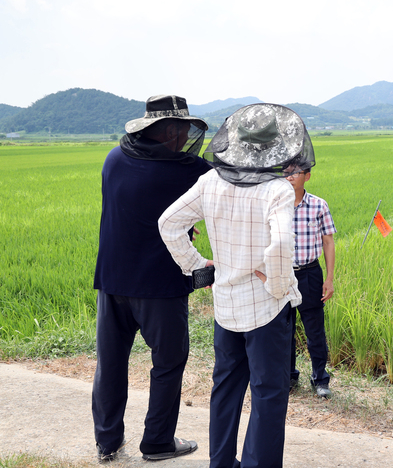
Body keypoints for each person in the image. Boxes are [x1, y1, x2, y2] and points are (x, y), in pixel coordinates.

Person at [158, 103, 315, 468]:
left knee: (225, 390)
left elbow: (169, 224)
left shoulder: (209, 181)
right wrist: (278, 286)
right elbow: (280, 246)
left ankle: (221, 463)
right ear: (275, 147)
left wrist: (199, 268)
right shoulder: (277, 190)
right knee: (268, 394)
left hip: (225, 305)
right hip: (265, 309)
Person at [92, 94, 209, 462]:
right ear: (171, 130)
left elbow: (134, 208)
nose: (185, 137)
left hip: (112, 281)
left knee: (110, 363)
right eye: (182, 130)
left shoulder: (114, 158)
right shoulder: (188, 169)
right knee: (168, 363)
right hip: (160, 285)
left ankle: (107, 442)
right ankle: (157, 442)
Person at [286, 167, 336, 398]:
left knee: (315, 330)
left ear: (307, 176)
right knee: (282, 328)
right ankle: (287, 376)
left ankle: (320, 379)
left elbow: (328, 242)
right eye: (285, 172)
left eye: (295, 172)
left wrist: (329, 278)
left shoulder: (318, 205)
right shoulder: (275, 204)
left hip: (309, 274)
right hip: (282, 274)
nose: (290, 176)